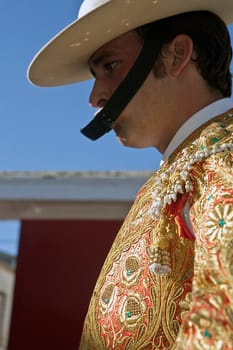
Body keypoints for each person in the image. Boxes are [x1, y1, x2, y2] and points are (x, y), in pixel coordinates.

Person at [28, 0, 233, 348]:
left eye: (110, 66)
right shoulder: (168, 178)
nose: (96, 97)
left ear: (176, 55)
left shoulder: (223, 160)